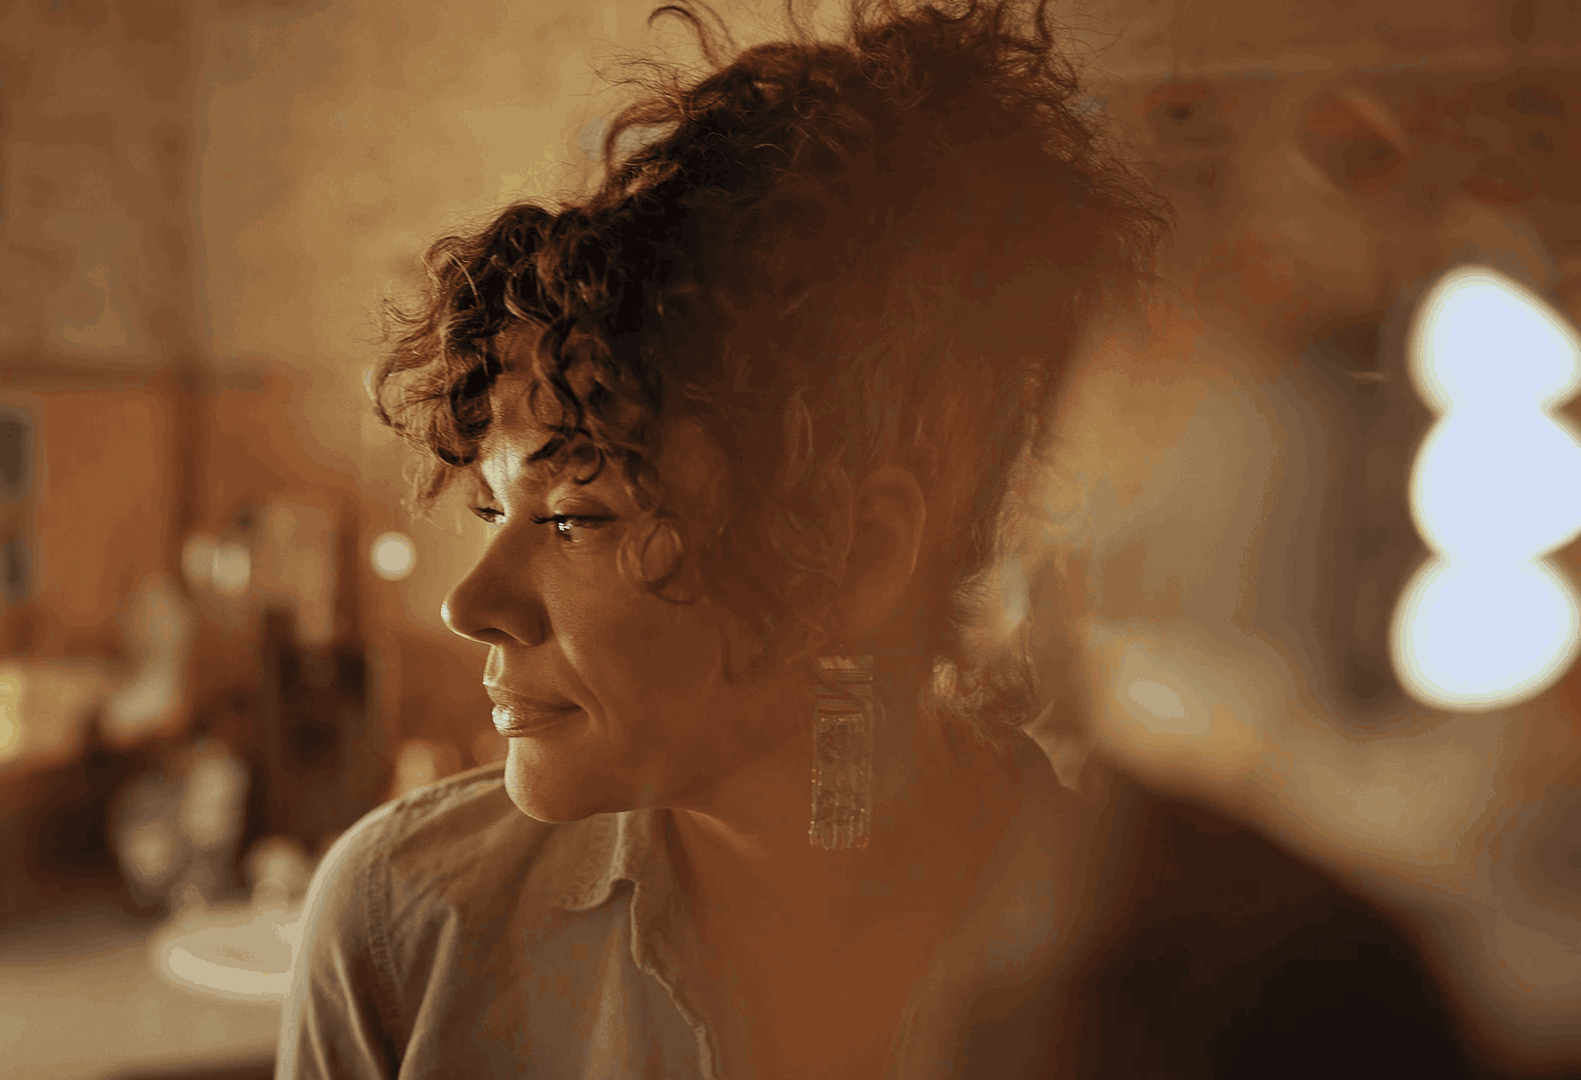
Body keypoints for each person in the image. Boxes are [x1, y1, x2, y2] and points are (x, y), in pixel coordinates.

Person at [280, 1, 1171, 1076]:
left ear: (858, 557)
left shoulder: (1164, 974)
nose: (468, 603)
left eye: (575, 516)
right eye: (492, 508)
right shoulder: (400, 929)